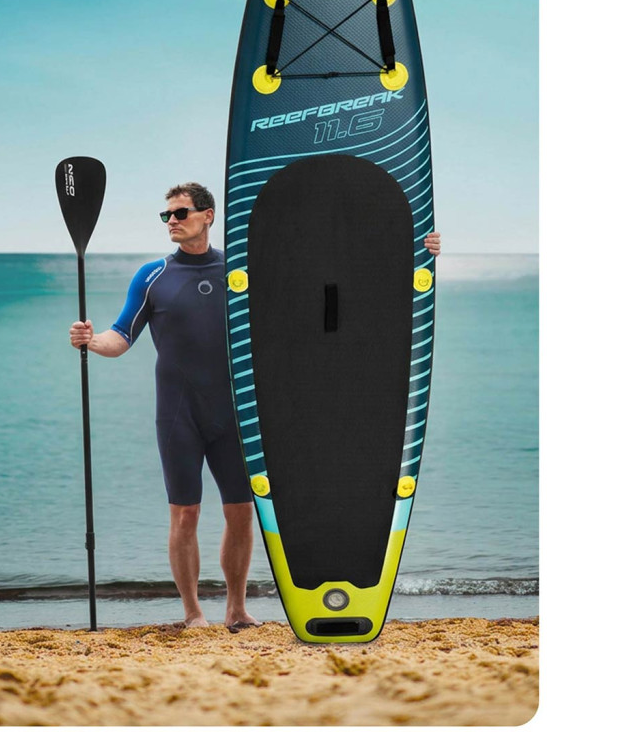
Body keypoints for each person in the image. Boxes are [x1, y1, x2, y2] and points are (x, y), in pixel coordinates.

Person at [70, 181, 441, 630]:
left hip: (237, 413)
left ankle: (236, 609)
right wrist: (91, 341)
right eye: (166, 215)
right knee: (185, 514)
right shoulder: (153, 277)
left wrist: (415, 252)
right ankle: (193, 613)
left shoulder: (242, 272)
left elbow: (329, 279)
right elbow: (121, 336)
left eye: (181, 213)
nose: (172, 222)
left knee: (241, 512)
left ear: (208, 215)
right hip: (178, 415)